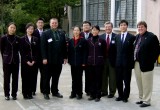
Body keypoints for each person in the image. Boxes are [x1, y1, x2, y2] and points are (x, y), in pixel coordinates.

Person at [134, 21, 159, 107]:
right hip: (137, 63)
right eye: (139, 27)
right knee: (139, 82)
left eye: (142, 27)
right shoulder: (137, 36)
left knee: (147, 83)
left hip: (147, 64)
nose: (140, 28)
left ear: (145, 27)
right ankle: (141, 98)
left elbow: (156, 51)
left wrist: (151, 61)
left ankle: (147, 101)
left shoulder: (151, 37)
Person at [41, 18, 67, 100]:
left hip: (58, 60)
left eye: (55, 23)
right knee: (47, 77)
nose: (54, 24)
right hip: (48, 59)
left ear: (57, 24)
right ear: (50, 24)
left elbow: (64, 46)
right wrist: (44, 57)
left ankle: (55, 91)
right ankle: (46, 92)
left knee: (56, 76)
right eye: (52, 23)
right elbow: (43, 47)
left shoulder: (61, 33)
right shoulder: (45, 33)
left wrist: (65, 57)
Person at [115, 20, 135, 103]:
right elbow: (115, 50)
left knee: (127, 81)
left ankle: (125, 96)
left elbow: (133, 51)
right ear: (119, 27)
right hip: (118, 63)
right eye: (121, 25)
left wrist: (132, 64)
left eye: (124, 25)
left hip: (127, 64)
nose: (123, 26)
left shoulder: (132, 37)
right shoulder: (116, 37)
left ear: (127, 26)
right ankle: (120, 95)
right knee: (118, 81)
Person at [0, 22, 20, 100]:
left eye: (14, 28)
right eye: (11, 27)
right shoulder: (3, 38)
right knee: (6, 79)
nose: (12, 29)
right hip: (7, 62)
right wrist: (4, 58)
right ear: (8, 28)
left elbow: (18, 49)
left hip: (15, 61)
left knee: (15, 79)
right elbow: (2, 50)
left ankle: (14, 94)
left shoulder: (18, 38)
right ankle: (7, 94)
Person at [87, 25, 106, 102]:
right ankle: (92, 94)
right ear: (91, 31)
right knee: (91, 79)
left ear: (98, 31)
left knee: (98, 79)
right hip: (90, 63)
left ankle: (98, 95)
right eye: (93, 30)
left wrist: (101, 60)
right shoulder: (88, 40)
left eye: (96, 30)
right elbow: (86, 51)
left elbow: (104, 52)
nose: (94, 31)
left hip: (99, 63)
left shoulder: (102, 40)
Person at [68, 26, 87, 100]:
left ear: (80, 31)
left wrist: (84, 62)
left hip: (80, 63)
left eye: (77, 30)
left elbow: (85, 52)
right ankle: (73, 92)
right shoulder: (70, 41)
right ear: (73, 31)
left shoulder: (83, 41)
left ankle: (79, 93)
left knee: (79, 78)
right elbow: (69, 52)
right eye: (75, 30)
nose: (76, 32)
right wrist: (69, 61)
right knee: (73, 78)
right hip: (73, 63)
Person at [20, 23, 39, 99]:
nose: (30, 30)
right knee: (25, 78)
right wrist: (26, 61)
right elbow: (22, 52)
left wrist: (34, 60)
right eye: (29, 29)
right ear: (26, 29)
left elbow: (37, 51)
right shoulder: (22, 39)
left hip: (33, 62)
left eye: (32, 29)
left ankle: (30, 92)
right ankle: (25, 93)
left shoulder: (36, 39)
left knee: (32, 77)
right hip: (25, 62)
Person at [100, 21, 117, 98]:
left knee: (112, 77)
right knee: (103, 76)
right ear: (104, 28)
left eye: (109, 26)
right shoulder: (101, 37)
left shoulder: (116, 37)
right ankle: (104, 91)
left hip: (112, 60)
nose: (108, 28)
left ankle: (112, 92)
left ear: (112, 27)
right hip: (103, 60)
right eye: (106, 27)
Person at [32, 18, 45, 95]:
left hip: (43, 58)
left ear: (43, 24)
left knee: (44, 75)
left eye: (41, 22)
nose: (40, 24)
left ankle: (43, 89)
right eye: (39, 22)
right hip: (35, 58)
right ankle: (33, 90)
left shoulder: (46, 33)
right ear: (36, 24)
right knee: (34, 74)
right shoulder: (33, 32)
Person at [80, 21, 93, 96]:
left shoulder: (93, 35)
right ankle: (79, 91)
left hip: (89, 60)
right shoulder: (79, 34)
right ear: (82, 27)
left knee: (89, 76)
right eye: (84, 25)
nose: (86, 27)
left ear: (90, 27)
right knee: (79, 76)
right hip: (80, 59)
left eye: (87, 25)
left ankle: (88, 90)